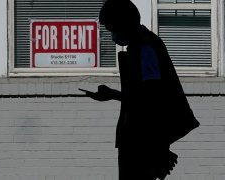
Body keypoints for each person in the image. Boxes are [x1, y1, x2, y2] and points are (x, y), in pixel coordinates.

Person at [81, 0, 200, 179]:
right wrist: (112, 94)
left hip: (141, 143)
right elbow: (145, 95)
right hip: (141, 141)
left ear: (123, 23)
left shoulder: (145, 48)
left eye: (112, 28)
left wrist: (156, 149)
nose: (112, 34)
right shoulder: (142, 46)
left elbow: (152, 98)